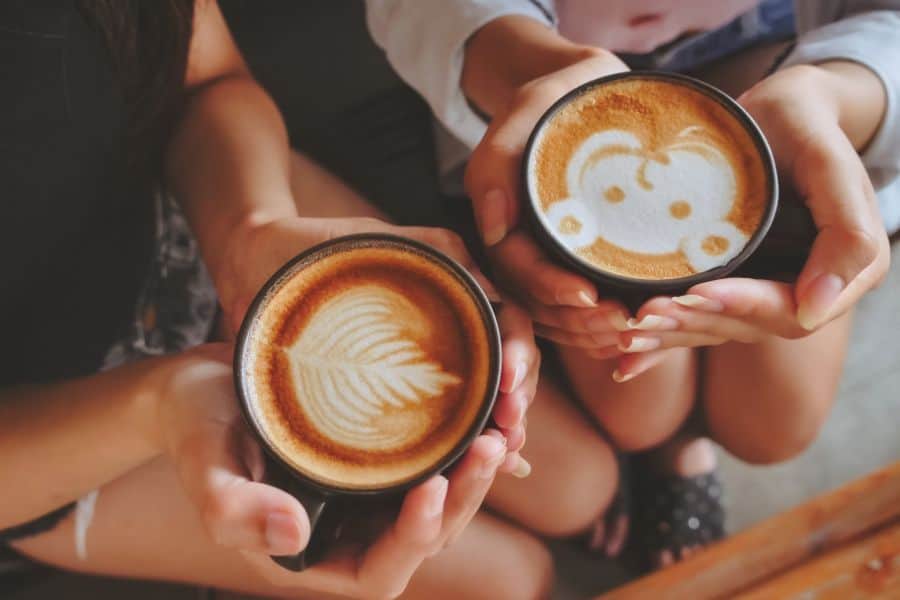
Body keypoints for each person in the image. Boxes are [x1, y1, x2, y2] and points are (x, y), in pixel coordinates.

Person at [0, 2, 548, 599]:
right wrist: (157, 402)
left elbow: (205, 80)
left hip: (204, 205)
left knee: (576, 483)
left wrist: (249, 234)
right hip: (54, 437)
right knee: (514, 580)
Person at [366, 0, 899, 566]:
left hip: (793, 78)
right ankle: (667, 444)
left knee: (773, 429)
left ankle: (680, 437)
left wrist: (836, 96)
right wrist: (525, 66)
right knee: (638, 415)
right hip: (554, 120)